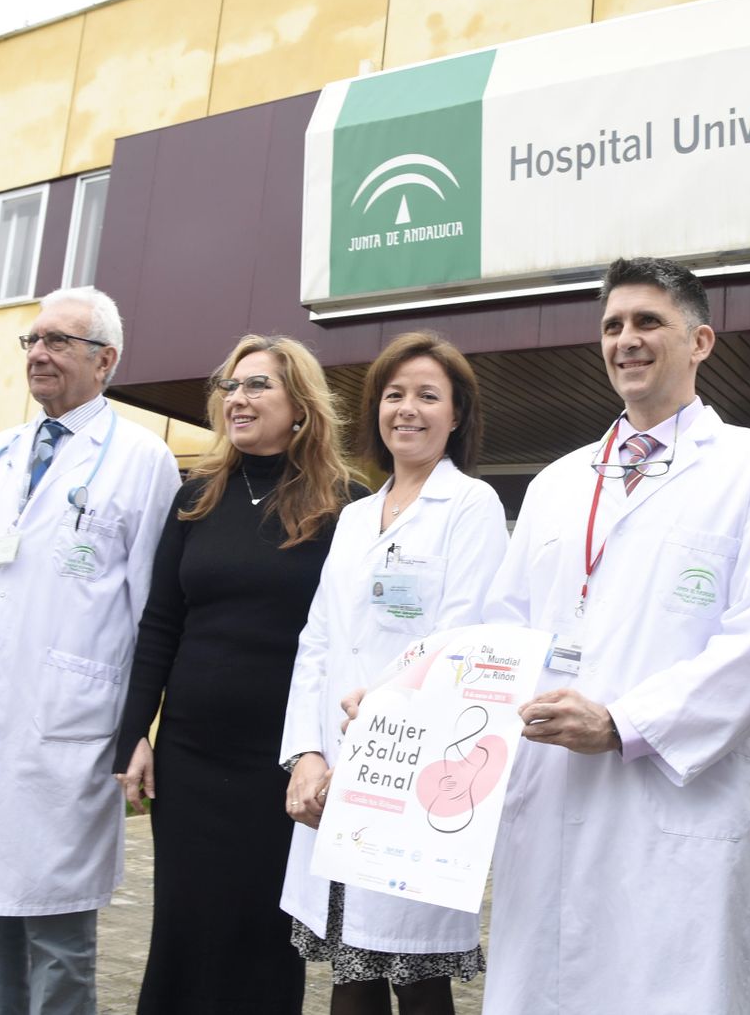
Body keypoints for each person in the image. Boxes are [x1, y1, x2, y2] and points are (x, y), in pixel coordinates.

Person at [476, 258, 750, 1014]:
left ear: (700, 341)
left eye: (647, 322)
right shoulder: (557, 483)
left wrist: (622, 723)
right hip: (554, 791)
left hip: (682, 805)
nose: (626, 340)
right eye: (612, 326)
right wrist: (423, 699)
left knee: (671, 988)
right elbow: (505, 629)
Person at [0, 287, 181, 1015]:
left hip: (69, 726)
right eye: (33, 340)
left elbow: (154, 610)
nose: (38, 353)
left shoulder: (143, 460)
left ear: (104, 360)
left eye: (58, 342)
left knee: (58, 935)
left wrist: (139, 727)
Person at [112, 334, 361, 1014]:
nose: (238, 398)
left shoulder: (346, 504)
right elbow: (160, 623)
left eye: (257, 386)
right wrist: (134, 732)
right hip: (191, 758)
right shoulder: (196, 496)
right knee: (185, 930)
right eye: (231, 386)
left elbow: (354, 634)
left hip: (283, 766)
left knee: (261, 937)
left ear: (300, 406)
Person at [281, 332, 507, 1015]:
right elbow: (317, 640)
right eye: (394, 394)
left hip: (412, 773)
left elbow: (465, 643)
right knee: (350, 971)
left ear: (457, 414)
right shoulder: (352, 517)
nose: (407, 409)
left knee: (415, 974)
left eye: (428, 396)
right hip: (338, 770)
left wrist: (381, 714)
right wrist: (308, 755)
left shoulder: (472, 507)